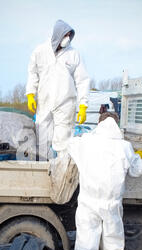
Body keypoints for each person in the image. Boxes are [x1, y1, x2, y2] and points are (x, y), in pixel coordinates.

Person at [67, 112, 142, 250]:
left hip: (88, 203)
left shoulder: (84, 143)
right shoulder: (125, 146)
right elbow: (138, 171)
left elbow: (67, 144)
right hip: (112, 206)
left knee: (86, 247)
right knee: (114, 247)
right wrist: (137, 157)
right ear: (117, 125)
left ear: (99, 124)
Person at [25, 19, 90, 160]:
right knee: (42, 142)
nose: (67, 39)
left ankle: (62, 173)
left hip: (65, 104)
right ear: (57, 35)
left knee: (64, 143)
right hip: (44, 103)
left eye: (69, 35)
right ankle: (43, 172)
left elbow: (83, 81)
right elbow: (32, 73)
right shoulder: (40, 51)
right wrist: (30, 94)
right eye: (65, 35)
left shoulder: (74, 54)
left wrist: (83, 105)